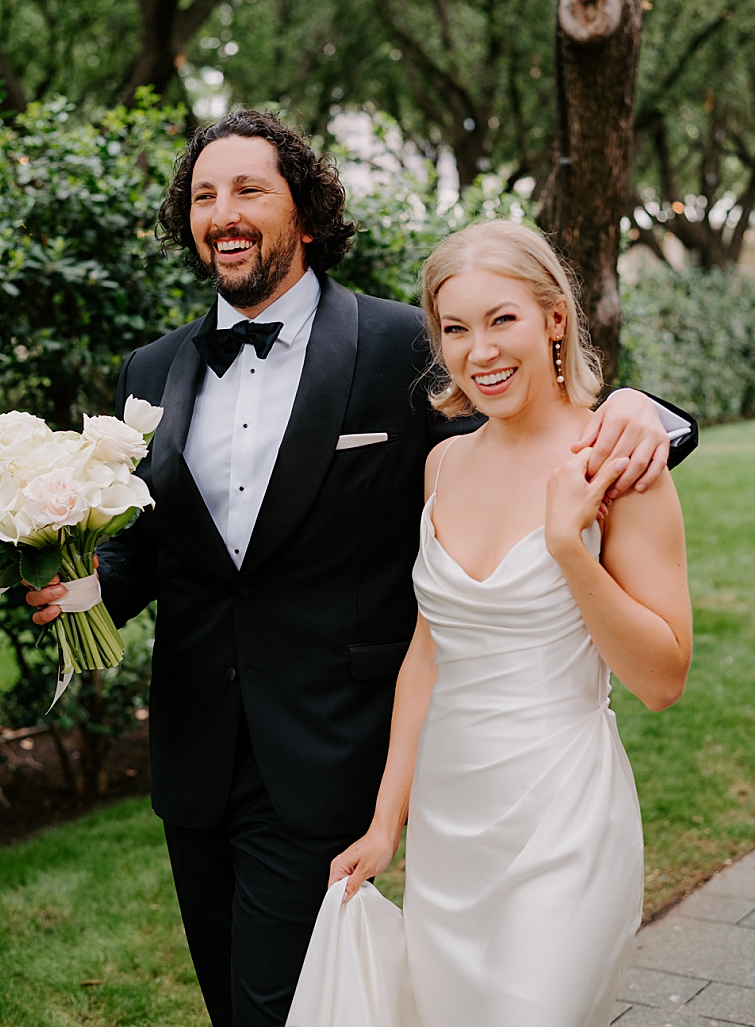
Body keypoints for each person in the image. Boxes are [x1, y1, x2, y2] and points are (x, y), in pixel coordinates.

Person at [21, 110, 693, 1027]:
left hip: (329, 742)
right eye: (205, 195)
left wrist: (652, 415)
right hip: (196, 750)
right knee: (232, 1002)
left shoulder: (398, 345)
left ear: (303, 212)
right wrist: (88, 584)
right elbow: (157, 538)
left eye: (250, 188)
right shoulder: (152, 370)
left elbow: (520, 408)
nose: (224, 211)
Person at [295, 221, 690, 1025]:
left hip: (564, 817)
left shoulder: (620, 462)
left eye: (502, 318)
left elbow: (663, 680)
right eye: (456, 327)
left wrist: (568, 549)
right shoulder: (444, 462)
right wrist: (385, 821)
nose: (481, 351)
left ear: (553, 318)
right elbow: (427, 654)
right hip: (452, 822)